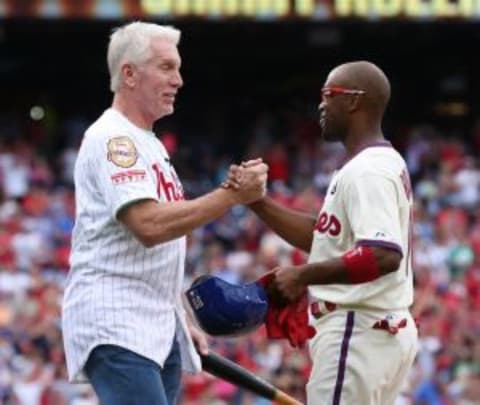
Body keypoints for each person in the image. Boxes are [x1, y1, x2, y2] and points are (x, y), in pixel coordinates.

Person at [61, 21, 268, 405]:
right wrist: (231, 195)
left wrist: (178, 315)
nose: (179, 80)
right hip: (116, 317)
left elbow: (154, 253)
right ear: (129, 74)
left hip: (157, 320)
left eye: (178, 68)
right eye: (166, 67)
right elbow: (149, 225)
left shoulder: (149, 143)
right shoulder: (113, 138)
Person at [227, 61, 418, 405]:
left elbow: (383, 254)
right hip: (374, 331)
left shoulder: (368, 170)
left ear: (354, 101)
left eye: (328, 94)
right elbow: (325, 238)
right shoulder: (374, 163)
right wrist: (257, 202)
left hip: (358, 329)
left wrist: (303, 275)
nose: (320, 105)